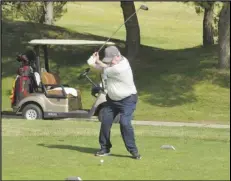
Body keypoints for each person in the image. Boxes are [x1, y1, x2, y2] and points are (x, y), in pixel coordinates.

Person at [87, 46, 141, 159]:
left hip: (128, 100)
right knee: (105, 122)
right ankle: (105, 148)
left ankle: (133, 151)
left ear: (118, 56)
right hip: (112, 100)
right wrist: (97, 61)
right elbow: (106, 66)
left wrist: (92, 63)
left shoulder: (121, 68)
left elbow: (101, 69)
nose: (110, 62)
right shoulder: (117, 62)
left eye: (111, 60)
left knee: (125, 123)